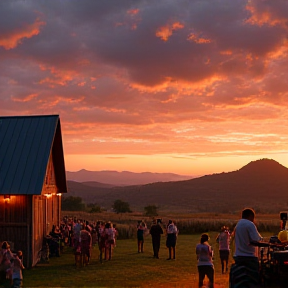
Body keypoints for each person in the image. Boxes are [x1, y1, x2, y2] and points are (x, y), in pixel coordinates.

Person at [232, 208, 262, 287]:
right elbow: (257, 239)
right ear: (251, 216)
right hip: (250, 257)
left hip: (238, 256)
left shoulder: (238, 225)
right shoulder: (250, 224)